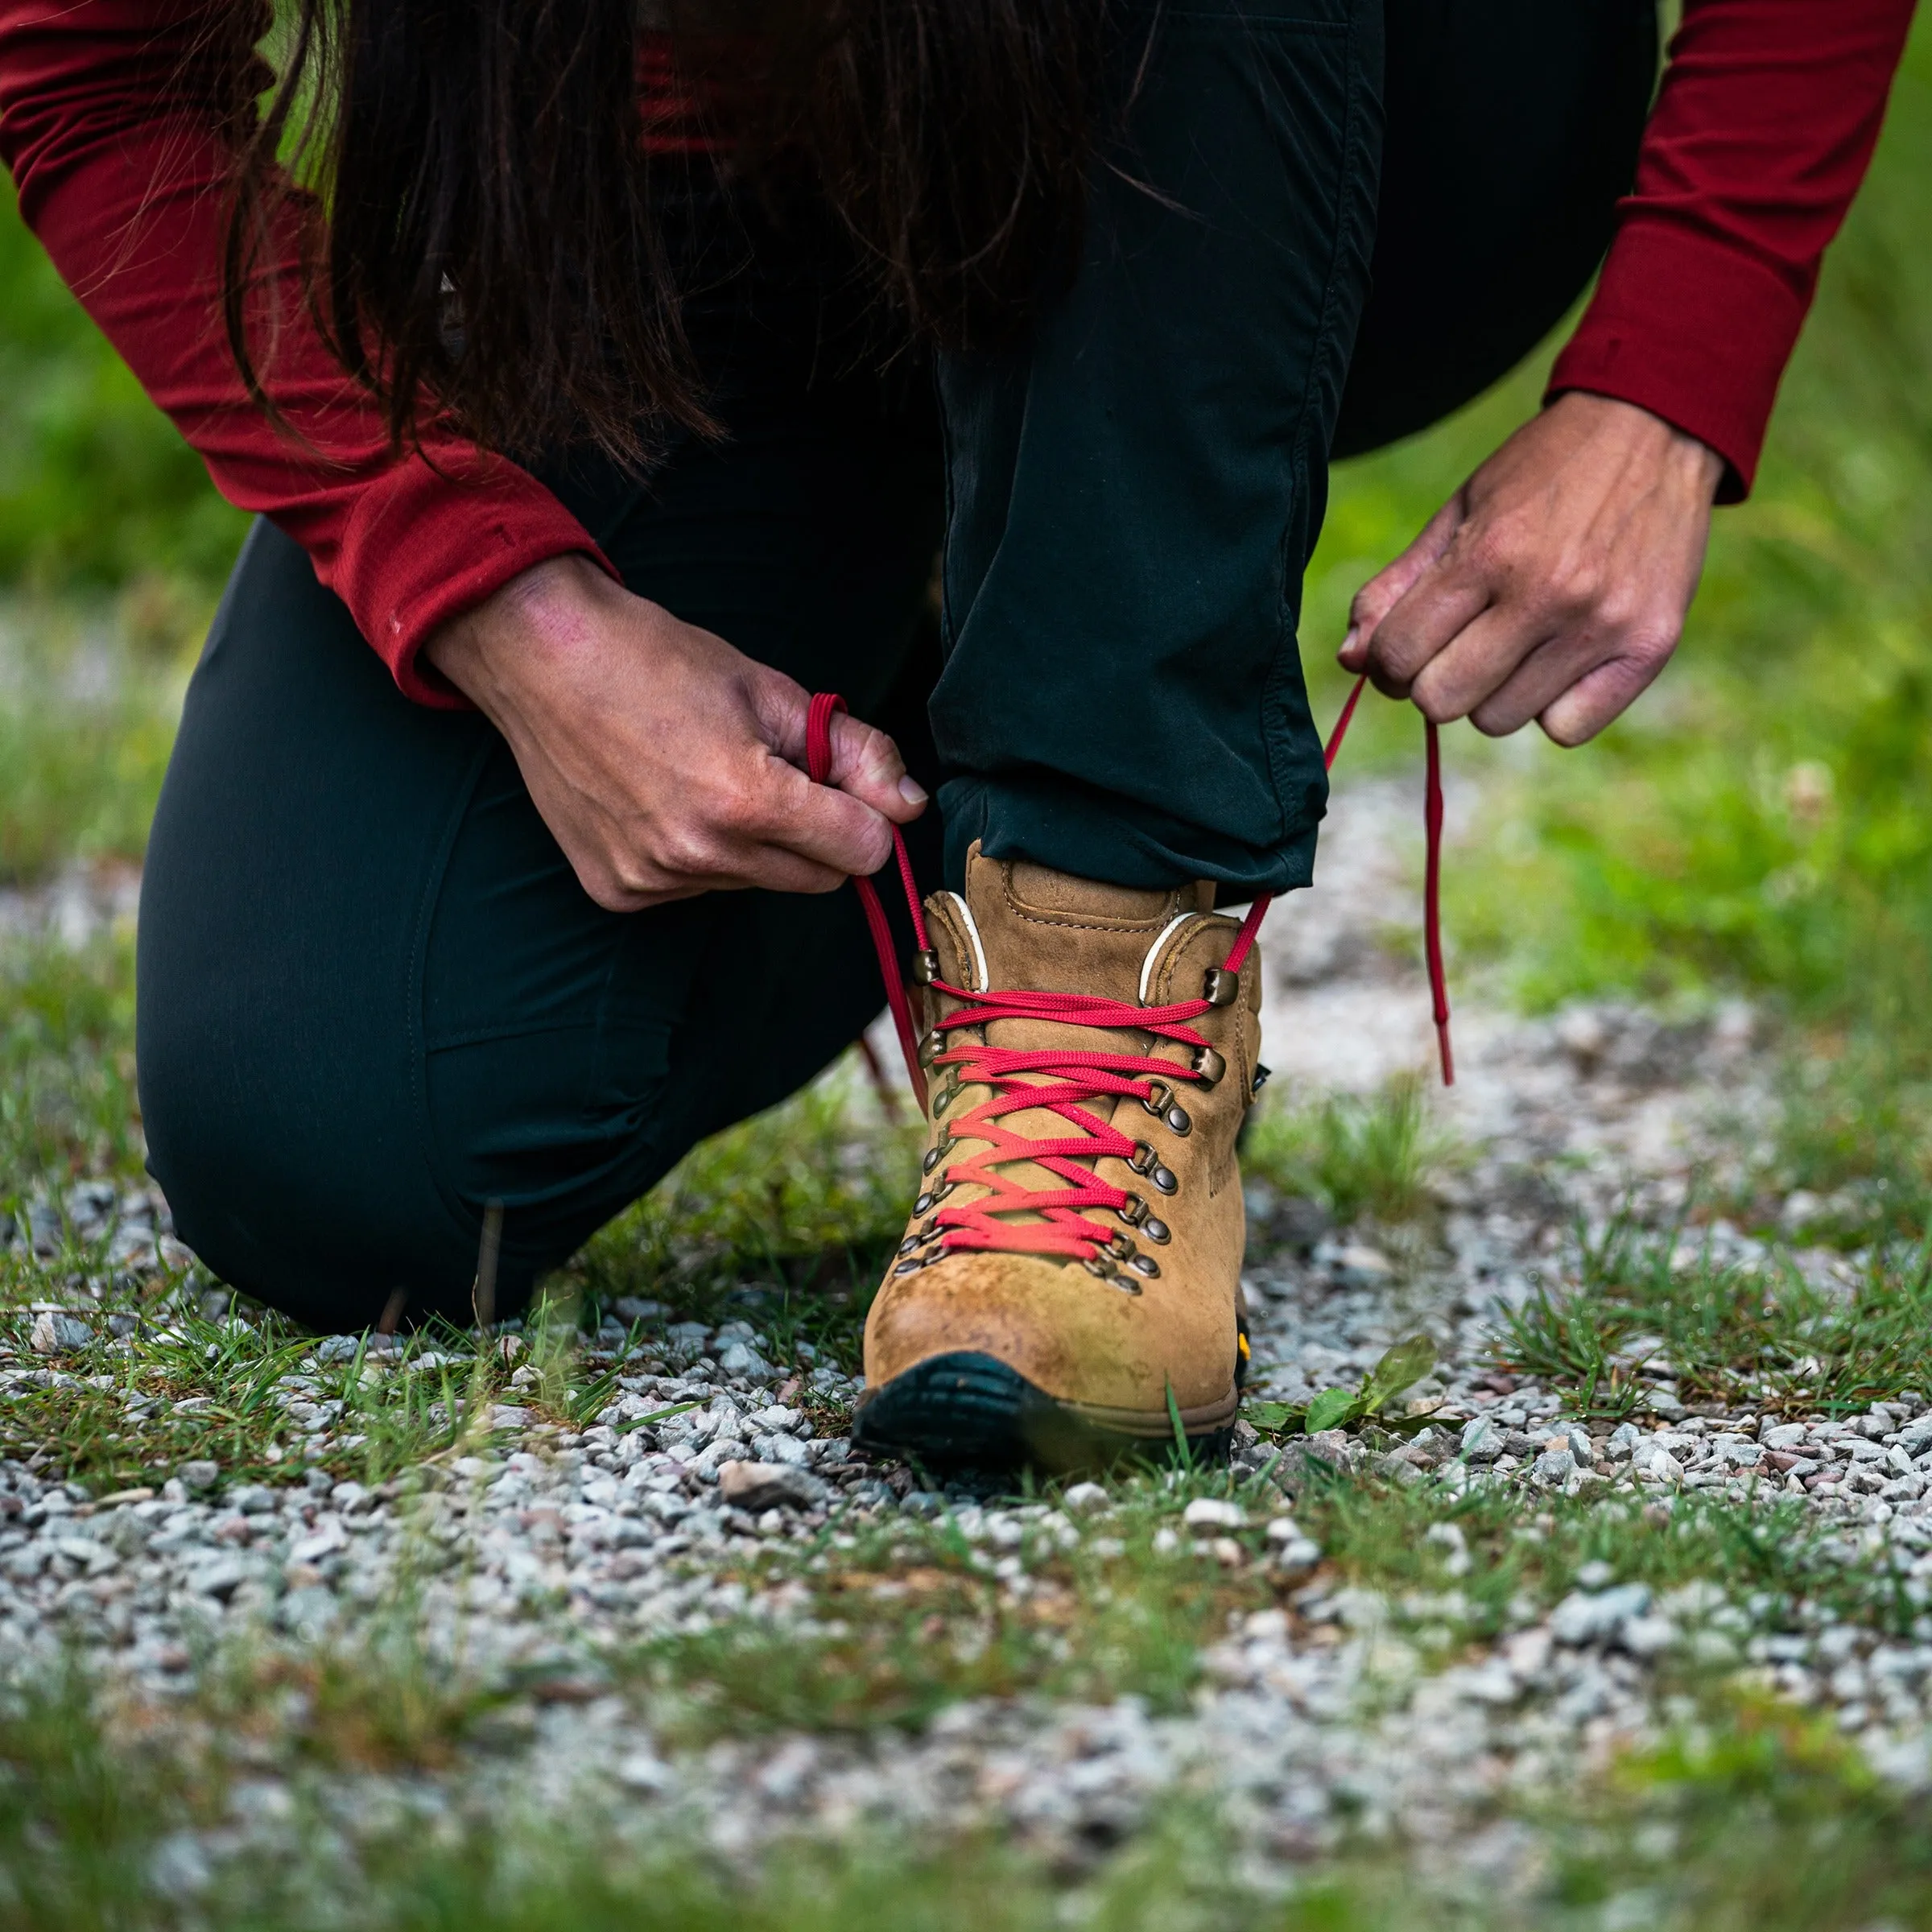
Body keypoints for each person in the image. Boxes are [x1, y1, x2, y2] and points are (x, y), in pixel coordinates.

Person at [0, 0, 1915, 1468]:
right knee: (335, 1139)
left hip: (1309, 96)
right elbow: (91, 72)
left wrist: (1677, 363)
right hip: (715, 218)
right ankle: (977, 634)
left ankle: (1099, 926)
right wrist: (519, 617)